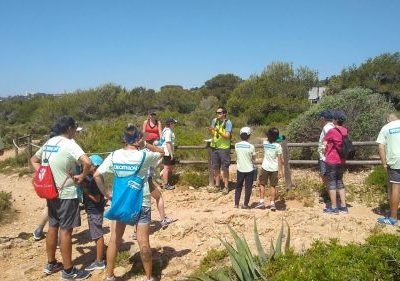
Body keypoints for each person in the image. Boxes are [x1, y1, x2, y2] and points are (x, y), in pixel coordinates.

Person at [93, 124, 164, 281]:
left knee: (115, 239)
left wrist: (106, 193)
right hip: (141, 201)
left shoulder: (114, 155)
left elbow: (97, 174)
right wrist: (146, 144)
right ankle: (149, 277)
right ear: (138, 139)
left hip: (121, 202)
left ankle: (109, 275)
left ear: (124, 139)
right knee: (143, 241)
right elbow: (162, 152)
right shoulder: (144, 156)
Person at [30, 116, 91, 280]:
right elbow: (88, 162)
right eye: (75, 128)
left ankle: (51, 263)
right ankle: (69, 270)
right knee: (66, 231)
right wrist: (82, 176)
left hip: (50, 192)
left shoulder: (50, 142)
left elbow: (34, 160)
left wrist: (43, 176)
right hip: (66, 193)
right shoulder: (70, 144)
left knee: (52, 226)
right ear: (70, 129)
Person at [80, 154, 107, 271]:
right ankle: (103, 252)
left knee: (97, 235)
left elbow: (96, 198)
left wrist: (84, 189)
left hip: (94, 210)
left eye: (89, 164)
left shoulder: (94, 180)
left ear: (95, 166)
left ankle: (99, 261)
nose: (86, 166)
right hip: (96, 210)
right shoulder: (95, 177)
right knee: (97, 234)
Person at [322, 111, 349, 214]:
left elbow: (324, 142)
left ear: (335, 120)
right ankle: (343, 206)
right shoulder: (345, 130)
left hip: (332, 159)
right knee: (340, 181)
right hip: (342, 160)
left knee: (332, 183)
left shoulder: (332, 131)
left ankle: (334, 207)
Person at [376, 113, 400, 225]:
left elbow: (381, 146)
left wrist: (384, 163)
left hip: (395, 161)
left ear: (387, 120)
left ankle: (393, 218)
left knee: (395, 188)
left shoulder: (386, 128)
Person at [256, 127, 284, 210]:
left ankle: (261, 202)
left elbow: (270, 138)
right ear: (276, 136)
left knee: (262, 184)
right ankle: (272, 203)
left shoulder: (265, 143)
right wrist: (281, 170)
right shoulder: (278, 146)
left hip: (265, 166)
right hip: (274, 168)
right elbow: (280, 159)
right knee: (273, 186)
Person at [208, 107, 233, 194]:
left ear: (224, 113)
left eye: (220, 112)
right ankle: (217, 186)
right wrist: (211, 130)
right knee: (215, 168)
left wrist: (218, 131)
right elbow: (212, 132)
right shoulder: (214, 121)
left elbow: (227, 136)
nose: (218, 114)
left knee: (225, 168)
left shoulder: (228, 123)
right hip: (214, 147)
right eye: (217, 112)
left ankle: (226, 187)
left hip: (224, 148)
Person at [234, 127, 256, 209]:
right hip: (249, 169)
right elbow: (254, 158)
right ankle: (245, 204)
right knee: (248, 188)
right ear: (249, 136)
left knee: (238, 187)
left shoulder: (237, 145)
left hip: (240, 169)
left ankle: (236, 204)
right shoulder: (251, 146)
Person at [318, 110, 335, 200]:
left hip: (325, 158)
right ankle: (333, 197)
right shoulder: (333, 126)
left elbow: (330, 141)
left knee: (325, 177)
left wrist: (325, 151)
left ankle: (332, 198)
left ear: (323, 118)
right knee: (330, 177)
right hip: (331, 157)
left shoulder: (327, 128)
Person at [160, 118, 177, 190]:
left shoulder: (166, 130)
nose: (174, 125)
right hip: (167, 152)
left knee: (169, 167)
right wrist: (171, 153)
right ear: (170, 124)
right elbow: (168, 143)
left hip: (167, 151)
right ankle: (165, 184)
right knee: (166, 168)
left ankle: (161, 177)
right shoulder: (168, 132)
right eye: (173, 123)